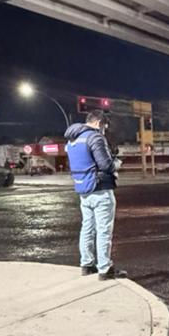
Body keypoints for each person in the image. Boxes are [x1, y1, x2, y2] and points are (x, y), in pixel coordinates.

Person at [65, 111, 126, 280]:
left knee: (87, 228)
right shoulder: (95, 137)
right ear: (99, 122)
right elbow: (106, 165)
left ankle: (86, 264)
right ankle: (105, 269)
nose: (104, 131)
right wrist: (116, 163)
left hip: (83, 189)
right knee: (103, 230)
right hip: (100, 189)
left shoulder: (72, 139)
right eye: (104, 127)